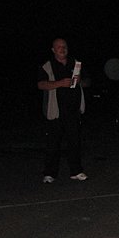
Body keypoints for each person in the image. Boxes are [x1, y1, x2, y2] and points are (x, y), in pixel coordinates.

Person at [37, 38, 88, 183]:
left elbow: (87, 81)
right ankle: (50, 173)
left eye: (64, 46)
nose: (62, 48)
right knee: (53, 144)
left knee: (74, 142)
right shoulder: (47, 66)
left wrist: (80, 81)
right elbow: (41, 85)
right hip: (56, 112)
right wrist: (60, 83)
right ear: (53, 50)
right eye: (59, 47)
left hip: (73, 111)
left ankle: (76, 171)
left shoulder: (76, 63)